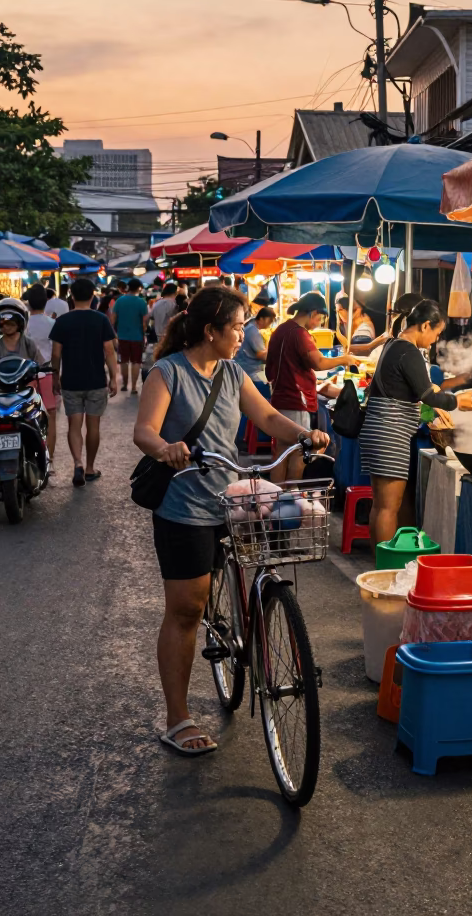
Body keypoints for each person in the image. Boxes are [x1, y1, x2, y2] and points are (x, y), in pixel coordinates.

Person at [133, 286, 330, 756]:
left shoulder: (232, 373)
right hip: (183, 506)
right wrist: (166, 449)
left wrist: (304, 434)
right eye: (238, 327)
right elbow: (144, 429)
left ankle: (254, 628)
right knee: (187, 609)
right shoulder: (168, 372)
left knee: (274, 539)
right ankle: (177, 718)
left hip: (229, 496)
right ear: (211, 330)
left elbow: (264, 416)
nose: (244, 335)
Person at [358, 299, 472, 544]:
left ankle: (379, 562)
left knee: (380, 505)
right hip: (389, 434)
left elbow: (411, 391)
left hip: (378, 430)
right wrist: (457, 402)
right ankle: (385, 569)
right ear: (425, 325)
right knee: (388, 508)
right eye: (437, 332)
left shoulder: (393, 345)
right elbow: (429, 396)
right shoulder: (408, 351)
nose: (435, 339)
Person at [265, 291, 345, 481]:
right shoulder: (299, 333)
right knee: (299, 450)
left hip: (282, 396)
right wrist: (346, 359)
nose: (318, 323)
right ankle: (291, 493)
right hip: (295, 399)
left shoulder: (282, 329)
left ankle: (278, 496)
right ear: (313, 312)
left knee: (283, 449)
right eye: (320, 318)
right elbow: (318, 363)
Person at [50, 277, 118, 487]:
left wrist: (54, 376)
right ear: (92, 296)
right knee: (93, 424)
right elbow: (109, 350)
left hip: (71, 380)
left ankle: (77, 463)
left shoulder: (62, 321)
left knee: (74, 424)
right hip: (96, 379)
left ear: (71, 296)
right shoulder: (100, 320)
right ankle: (89, 468)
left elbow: (56, 353)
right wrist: (114, 377)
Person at [24, 285, 58, 467]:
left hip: (25, 377)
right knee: (51, 417)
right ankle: (49, 461)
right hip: (48, 375)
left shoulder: (24, 324)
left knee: (26, 416)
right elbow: (57, 354)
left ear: (28, 303)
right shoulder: (52, 324)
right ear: (46, 302)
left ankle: (29, 458)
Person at [111, 277, 149, 394]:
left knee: (124, 361)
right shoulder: (141, 302)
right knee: (136, 362)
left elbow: (112, 320)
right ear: (139, 288)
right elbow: (145, 322)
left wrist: (114, 334)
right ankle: (133, 387)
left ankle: (124, 384)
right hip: (137, 336)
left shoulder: (119, 301)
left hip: (122, 336)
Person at [234, 305, 275, 386]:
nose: (270, 324)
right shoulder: (253, 331)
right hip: (250, 372)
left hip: (245, 369)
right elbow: (261, 355)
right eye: (269, 321)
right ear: (261, 319)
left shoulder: (251, 325)